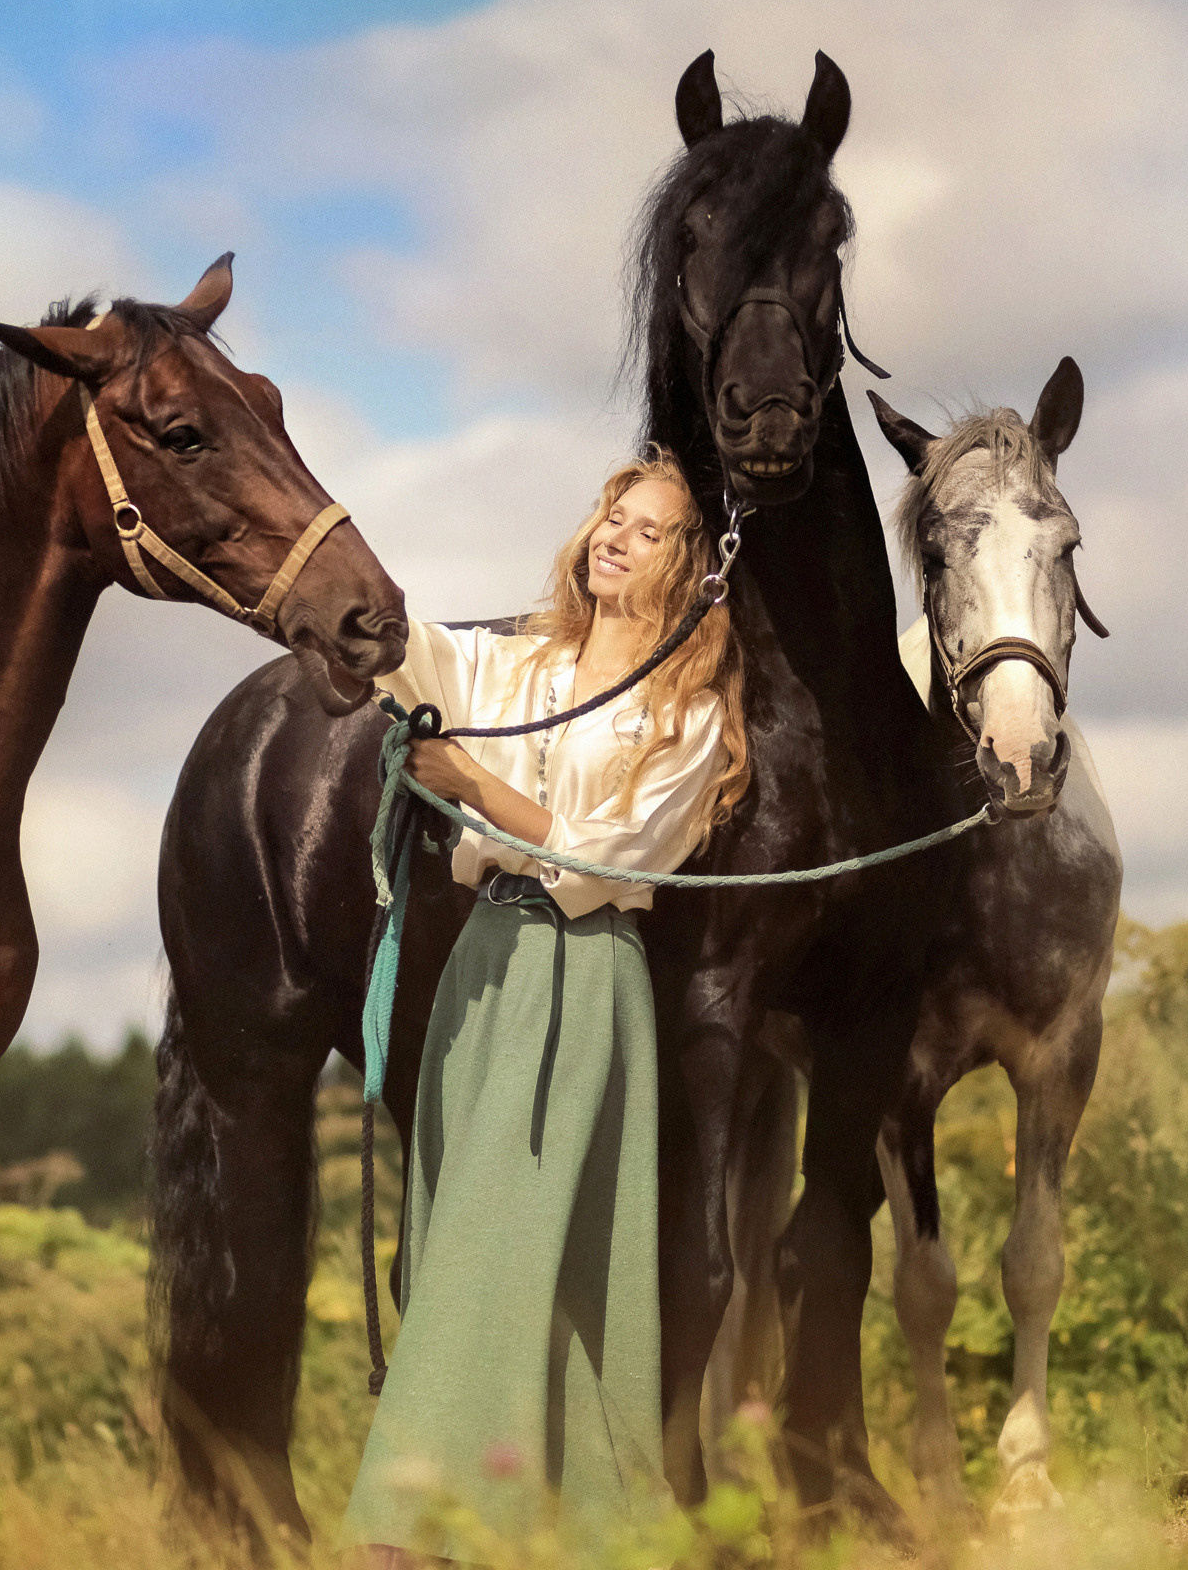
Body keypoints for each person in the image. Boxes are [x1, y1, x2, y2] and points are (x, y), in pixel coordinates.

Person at [344, 448, 750, 1564]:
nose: (614, 535)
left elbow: (602, 857)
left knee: (512, 1243)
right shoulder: (518, 667)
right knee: (471, 1243)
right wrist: (311, 544)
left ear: (690, 569)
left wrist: (471, 782)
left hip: (583, 969)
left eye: (649, 528)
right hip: (485, 962)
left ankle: (408, 1526)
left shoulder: (690, 720)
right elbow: (398, 643)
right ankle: (563, 1527)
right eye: (611, 516)